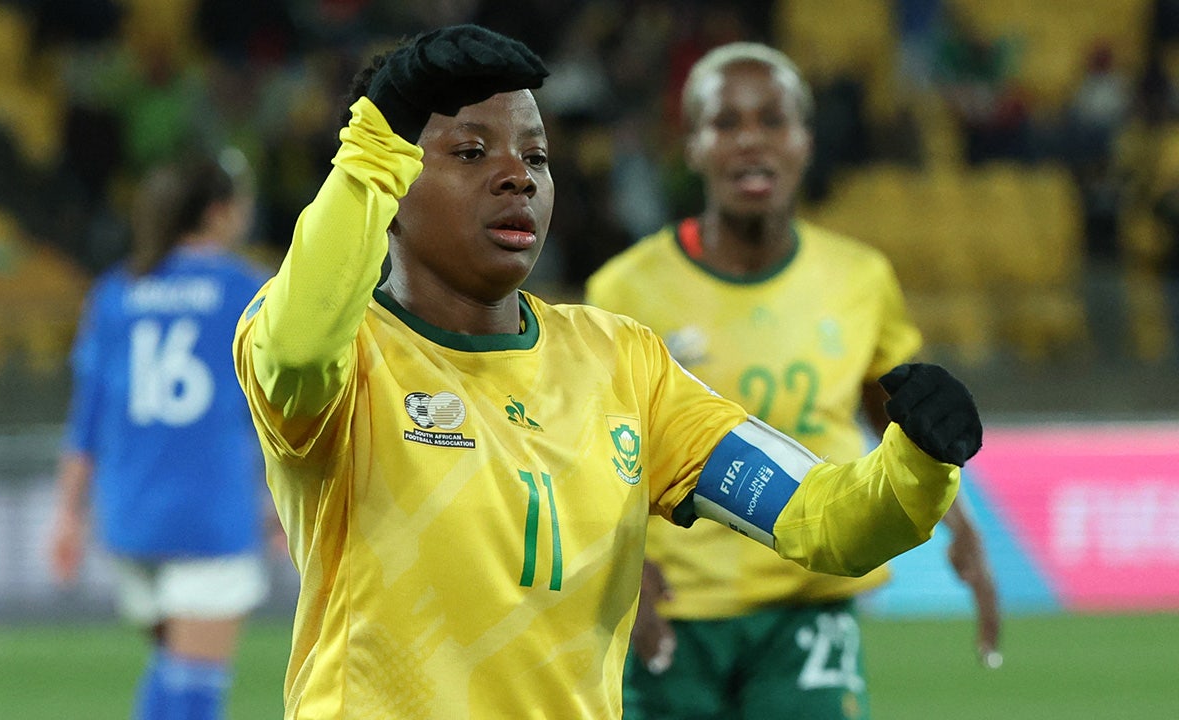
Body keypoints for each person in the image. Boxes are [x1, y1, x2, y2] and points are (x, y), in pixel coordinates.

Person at [231, 24, 983, 719]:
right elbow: (297, 348)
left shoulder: (622, 362)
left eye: (535, 156)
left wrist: (916, 467)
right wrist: (372, 140)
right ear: (390, 184)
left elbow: (817, 518)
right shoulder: (345, 356)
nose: (516, 177)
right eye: (470, 152)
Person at [585, 42, 1001, 720]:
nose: (752, 141)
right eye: (725, 123)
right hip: (674, 608)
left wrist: (963, 526)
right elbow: (594, 453)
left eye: (774, 120)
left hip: (810, 602)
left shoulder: (860, 279)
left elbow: (897, 417)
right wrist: (621, 572)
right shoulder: (626, 287)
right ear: (689, 145)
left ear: (806, 140)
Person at [50, 152, 276, 720]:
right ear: (221, 213)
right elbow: (281, 408)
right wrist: (282, 502)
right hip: (207, 513)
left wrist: (68, 513)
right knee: (196, 690)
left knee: (172, 670)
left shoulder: (116, 292)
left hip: (130, 514)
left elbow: (89, 418)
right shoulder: (246, 292)